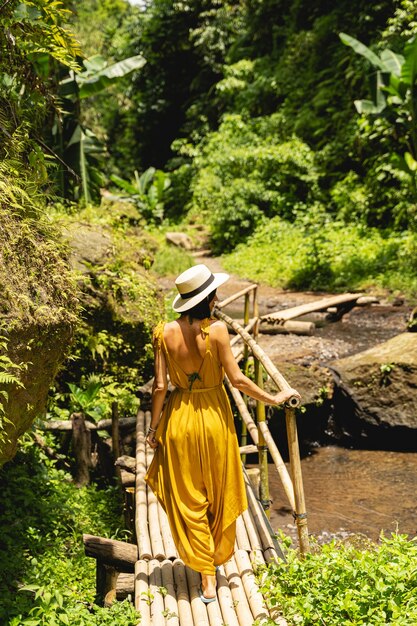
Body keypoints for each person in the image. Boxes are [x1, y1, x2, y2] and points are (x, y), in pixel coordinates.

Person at [145, 264, 300, 603]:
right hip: (215, 419)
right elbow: (239, 380)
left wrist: (154, 429)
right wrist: (273, 397)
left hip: (179, 421)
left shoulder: (163, 333)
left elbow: (159, 387)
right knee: (218, 491)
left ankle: (206, 578)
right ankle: (212, 567)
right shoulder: (216, 332)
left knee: (189, 498)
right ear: (210, 299)